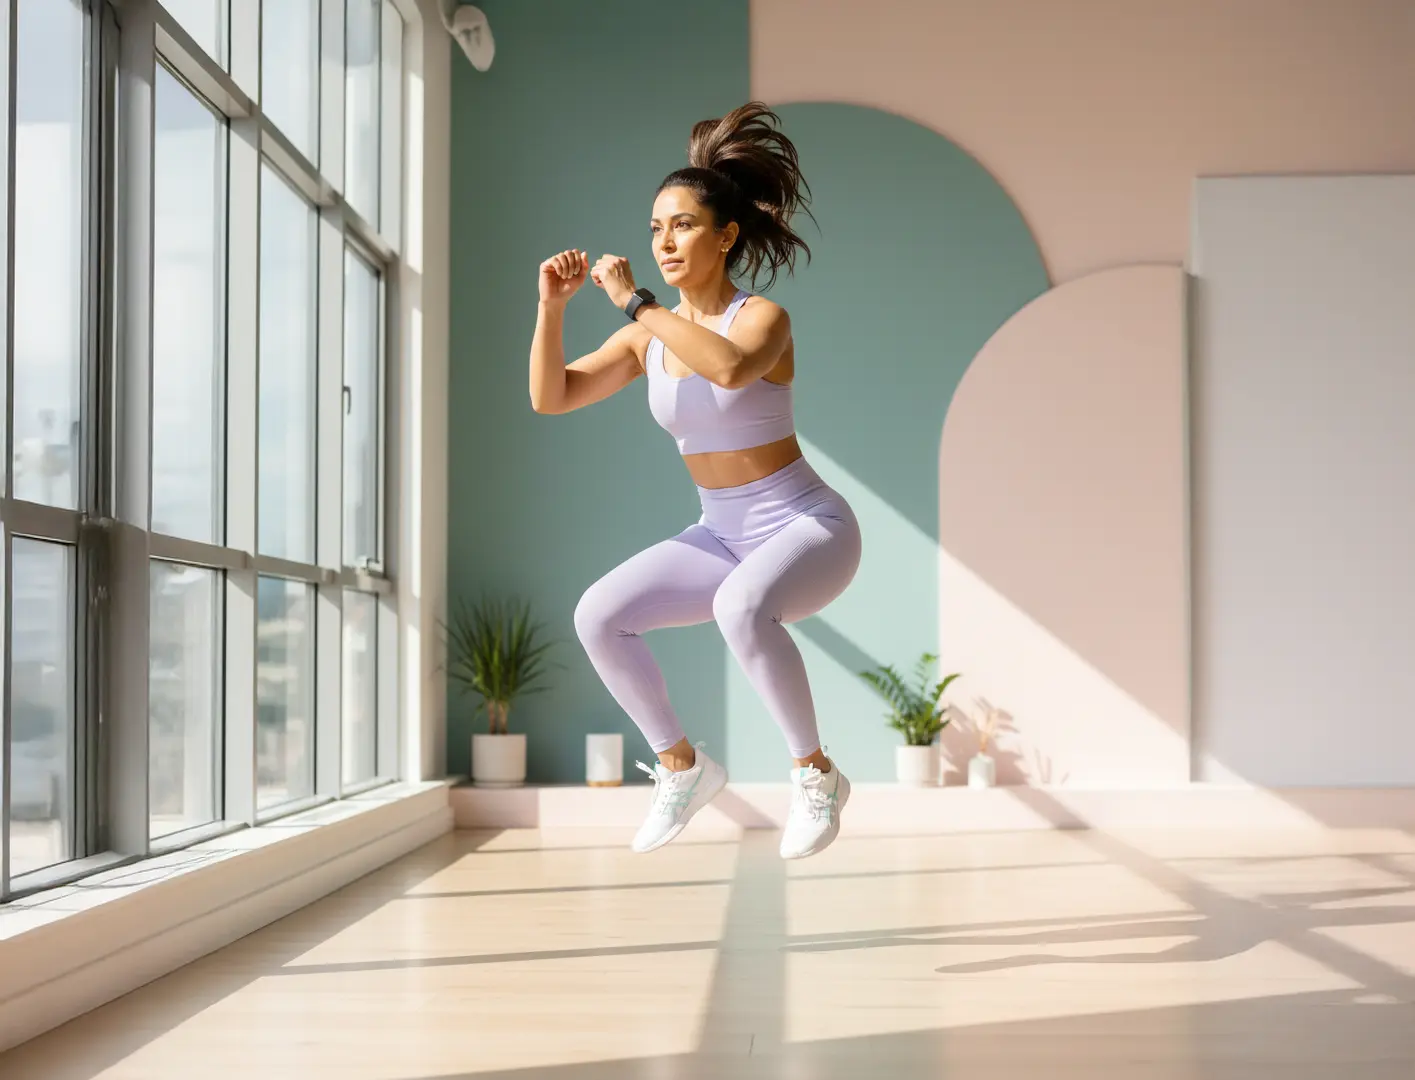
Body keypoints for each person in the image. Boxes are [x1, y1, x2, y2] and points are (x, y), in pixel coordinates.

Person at [528, 102, 862, 860]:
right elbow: (551, 396)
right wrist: (550, 310)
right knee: (599, 615)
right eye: (654, 228)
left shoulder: (761, 318)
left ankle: (815, 775)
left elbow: (729, 367)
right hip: (720, 532)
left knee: (740, 606)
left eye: (680, 224)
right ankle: (682, 767)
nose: (664, 240)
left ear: (725, 235)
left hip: (808, 526)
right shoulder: (643, 335)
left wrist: (634, 301)